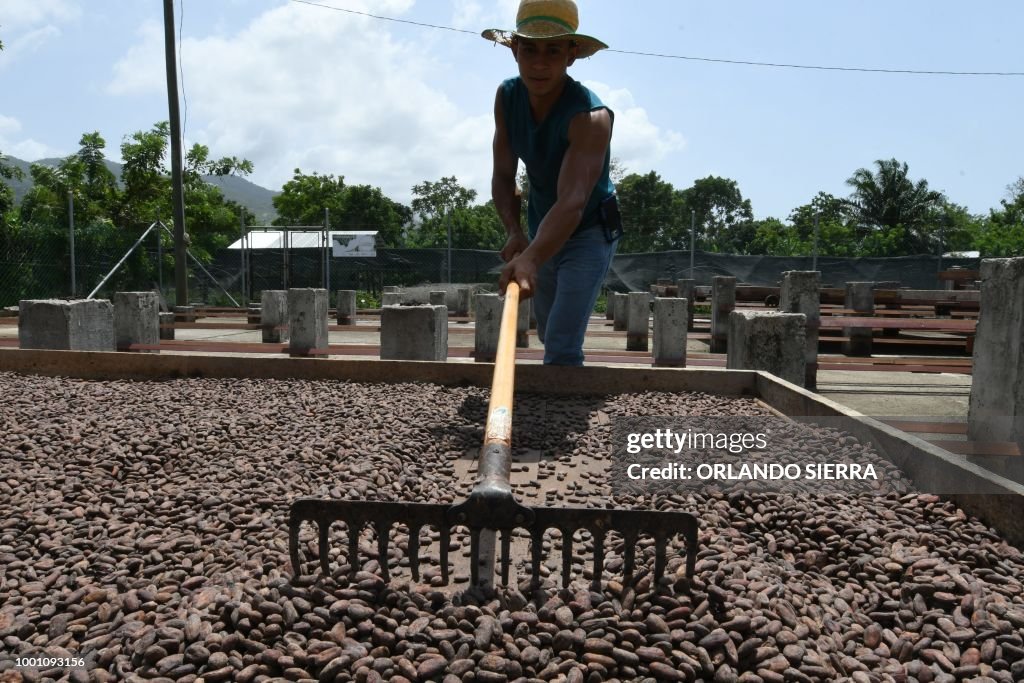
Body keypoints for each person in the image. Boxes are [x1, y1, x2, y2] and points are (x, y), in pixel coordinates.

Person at [483, 0, 622, 366]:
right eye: (529, 49)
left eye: (553, 50)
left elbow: (574, 200)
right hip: (542, 222)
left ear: (571, 55)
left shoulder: (590, 117)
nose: (539, 63)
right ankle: (554, 392)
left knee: (560, 339)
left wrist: (531, 257)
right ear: (515, 50)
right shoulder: (508, 96)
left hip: (589, 228)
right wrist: (515, 232)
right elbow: (503, 175)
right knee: (547, 331)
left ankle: (559, 419)